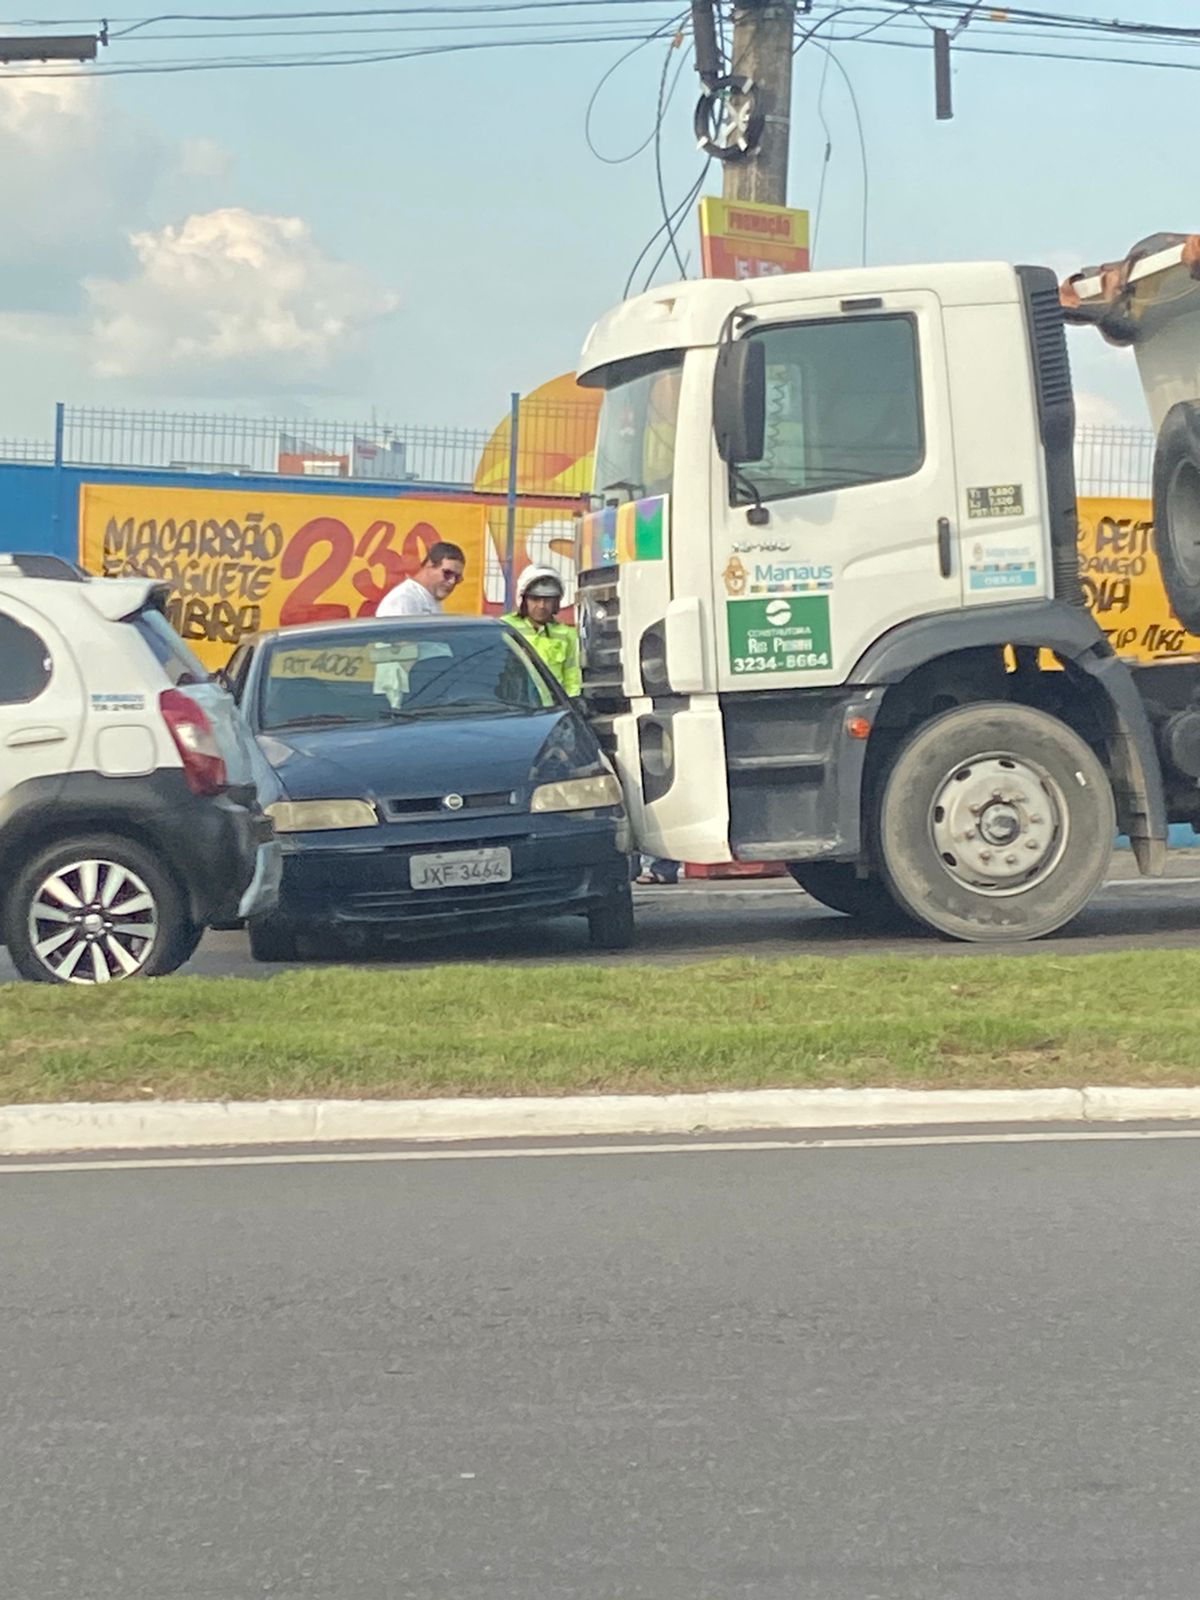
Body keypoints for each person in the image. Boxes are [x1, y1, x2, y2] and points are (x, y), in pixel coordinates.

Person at [503, 566, 581, 696]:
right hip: (514, 706)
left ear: (556, 603)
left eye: (548, 599)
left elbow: (573, 679)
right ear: (523, 600)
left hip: (553, 710)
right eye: (535, 599)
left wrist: (573, 704)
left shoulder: (568, 635)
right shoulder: (505, 627)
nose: (541, 605)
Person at [376, 542, 466, 617]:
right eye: (447, 573)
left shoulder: (432, 600)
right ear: (429, 565)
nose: (452, 581)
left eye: (457, 578)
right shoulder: (403, 601)